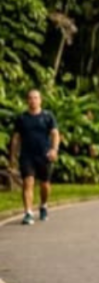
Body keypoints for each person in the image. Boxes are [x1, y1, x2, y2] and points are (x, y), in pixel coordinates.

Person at [9, 90, 60, 225]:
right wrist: (13, 157)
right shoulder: (22, 118)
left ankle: (43, 205)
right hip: (27, 156)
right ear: (27, 100)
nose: (33, 100)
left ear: (40, 100)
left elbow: (55, 134)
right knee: (28, 182)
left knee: (45, 184)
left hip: (44, 155)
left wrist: (54, 150)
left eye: (36, 98)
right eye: (30, 98)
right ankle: (28, 213)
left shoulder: (48, 116)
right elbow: (16, 138)